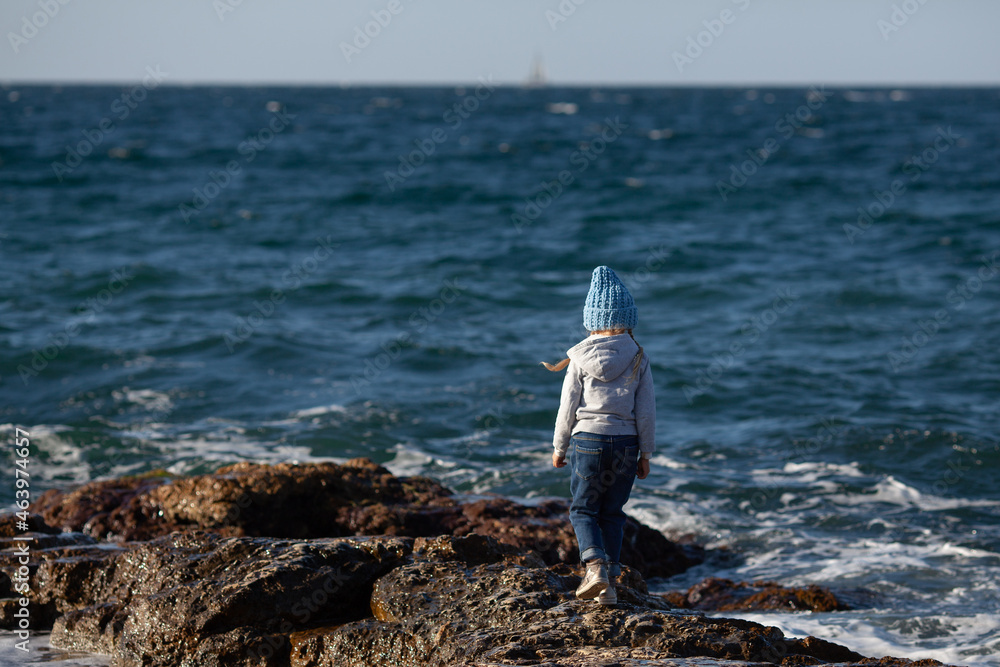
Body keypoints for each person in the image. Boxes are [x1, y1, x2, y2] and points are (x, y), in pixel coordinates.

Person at [544, 266, 655, 605]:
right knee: (613, 512)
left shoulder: (578, 358)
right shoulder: (637, 356)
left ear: (591, 320)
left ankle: (594, 568)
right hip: (625, 444)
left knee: (583, 510)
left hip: (587, 441)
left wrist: (559, 446)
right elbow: (647, 410)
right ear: (628, 319)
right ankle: (610, 580)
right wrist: (646, 453)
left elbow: (568, 407)